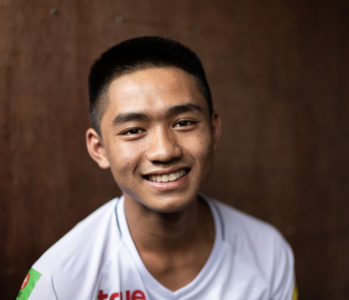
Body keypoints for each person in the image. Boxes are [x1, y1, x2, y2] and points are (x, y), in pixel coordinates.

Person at [17, 36, 298, 300]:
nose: (165, 151)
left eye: (184, 122)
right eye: (134, 130)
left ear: (214, 130)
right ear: (99, 148)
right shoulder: (60, 278)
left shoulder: (268, 253)